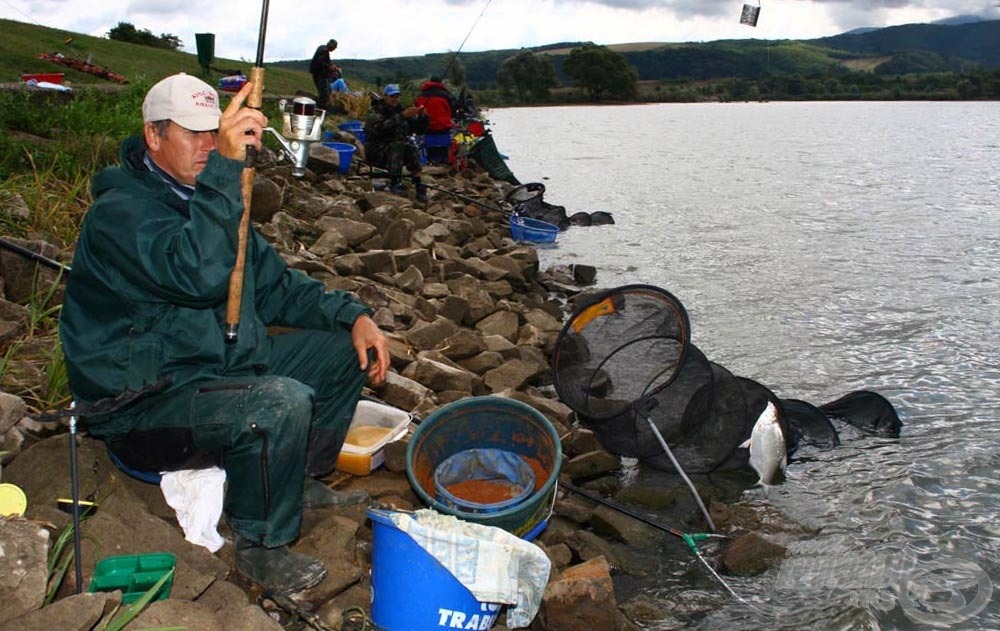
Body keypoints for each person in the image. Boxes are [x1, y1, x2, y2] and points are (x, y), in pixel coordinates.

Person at [58, 73, 390, 594]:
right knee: (279, 402)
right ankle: (259, 543)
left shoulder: (209, 198)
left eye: (215, 133)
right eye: (193, 134)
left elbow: (280, 287)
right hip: (145, 405)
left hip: (219, 369)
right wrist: (227, 174)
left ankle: (293, 480)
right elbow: (197, 274)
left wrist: (354, 315)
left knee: (340, 353)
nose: (209, 147)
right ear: (153, 135)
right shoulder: (119, 214)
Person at [364, 83, 430, 202]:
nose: (395, 99)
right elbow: (379, 129)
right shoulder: (375, 110)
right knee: (398, 146)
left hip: (395, 150)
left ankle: (418, 183)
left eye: (397, 96)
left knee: (410, 147)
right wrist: (402, 116)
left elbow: (418, 130)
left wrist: (422, 118)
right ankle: (394, 182)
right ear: (384, 96)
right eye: (392, 96)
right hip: (376, 149)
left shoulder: (402, 110)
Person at [415, 76, 455, 163]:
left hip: (426, 128)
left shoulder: (421, 95)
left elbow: (417, 109)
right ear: (440, 83)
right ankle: (444, 159)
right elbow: (450, 112)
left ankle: (428, 160)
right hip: (442, 128)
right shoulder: (445, 95)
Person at [310, 38, 341, 107]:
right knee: (325, 93)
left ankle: (321, 107)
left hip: (317, 74)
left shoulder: (322, 48)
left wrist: (331, 65)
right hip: (320, 75)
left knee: (326, 91)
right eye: (334, 47)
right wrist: (330, 67)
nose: (334, 49)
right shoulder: (324, 51)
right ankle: (320, 108)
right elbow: (320, 62)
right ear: (331, 46)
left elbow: (325, 60)